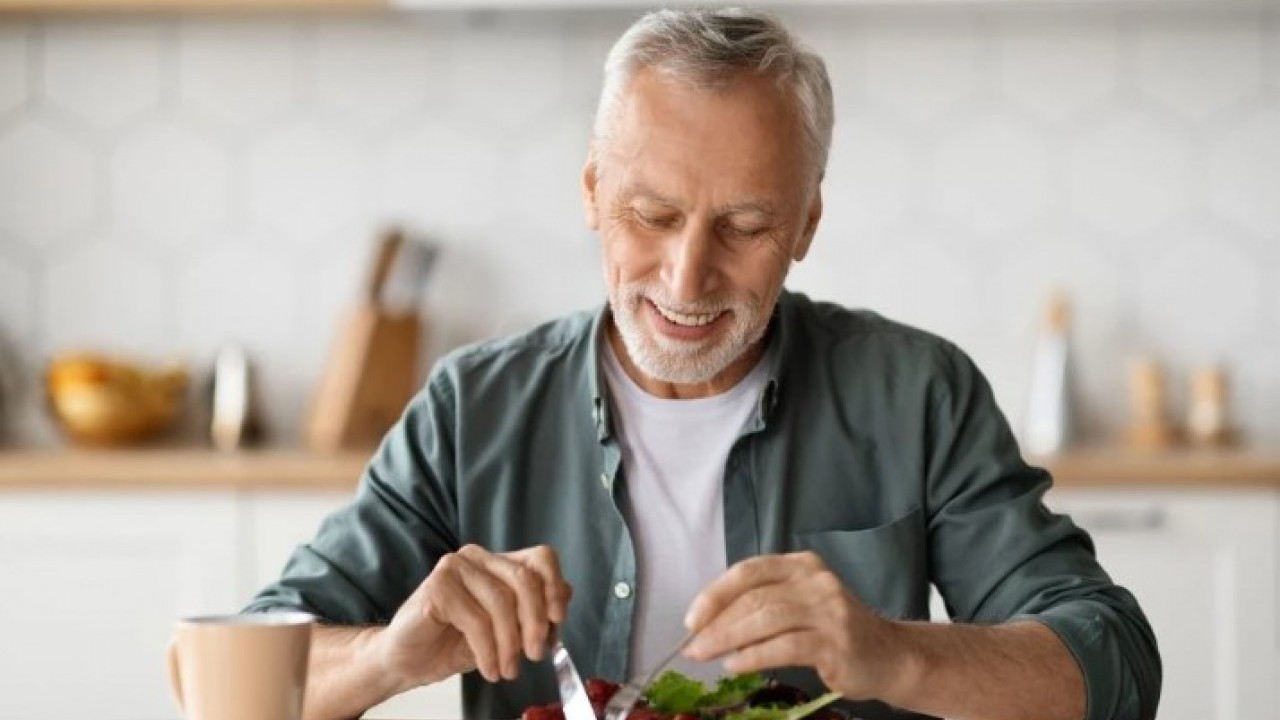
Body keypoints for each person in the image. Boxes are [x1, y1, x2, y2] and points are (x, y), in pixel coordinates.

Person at [246, 8, 1161, 720]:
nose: (687, 276)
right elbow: (232, 675)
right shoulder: (472, 408)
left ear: (806, 223)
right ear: (593, 191)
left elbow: (1113, 663)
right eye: (651, 214)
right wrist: (388, 657)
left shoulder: (919, 394)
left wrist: (894, 653)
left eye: (747, 226)